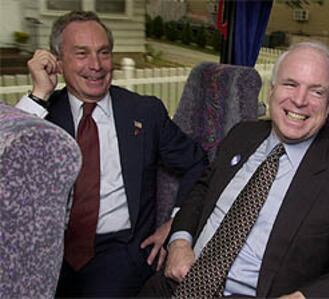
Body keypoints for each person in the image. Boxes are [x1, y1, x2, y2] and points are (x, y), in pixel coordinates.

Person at [139, 41, 329, 298]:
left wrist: (306, 297)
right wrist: (180, 241)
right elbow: (203, 189)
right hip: (176, 284)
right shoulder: (242, 134)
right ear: (272, 91)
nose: (299, 100)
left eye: (316, 92)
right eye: (290, 84)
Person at [15, 10, 207, 297]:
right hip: (47, 251)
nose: (96, 65)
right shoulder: (43, 115)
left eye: (103, 52)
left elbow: (198, 164)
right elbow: (7, 168)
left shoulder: (145, 112)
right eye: (81, 53)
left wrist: (176, 224)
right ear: (57, 60)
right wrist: (38, 94)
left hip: (119, 254)